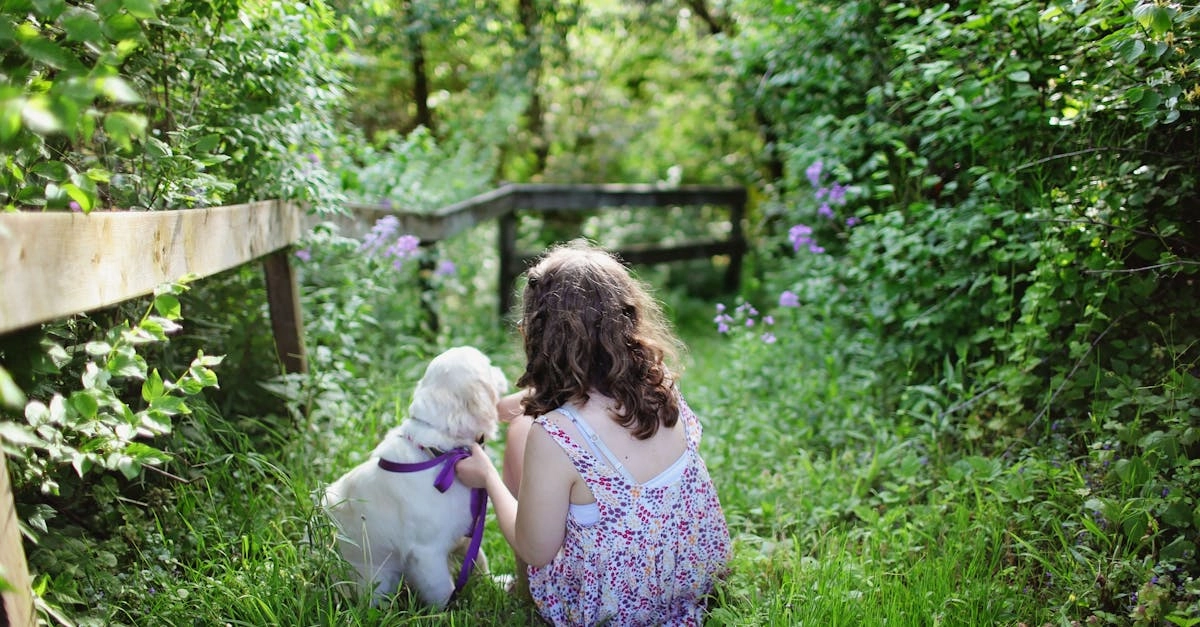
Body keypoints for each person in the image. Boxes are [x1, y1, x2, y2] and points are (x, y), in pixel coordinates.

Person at [454, 239, 732, 626]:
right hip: (687, 583)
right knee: (522, 421)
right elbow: (577, 399)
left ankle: (524, 589)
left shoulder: (555, 435)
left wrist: (488, 477)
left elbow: (536, 551)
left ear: (540, 335)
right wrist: (506, 404)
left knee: (520, 431)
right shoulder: (660, 385)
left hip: (612, 609)